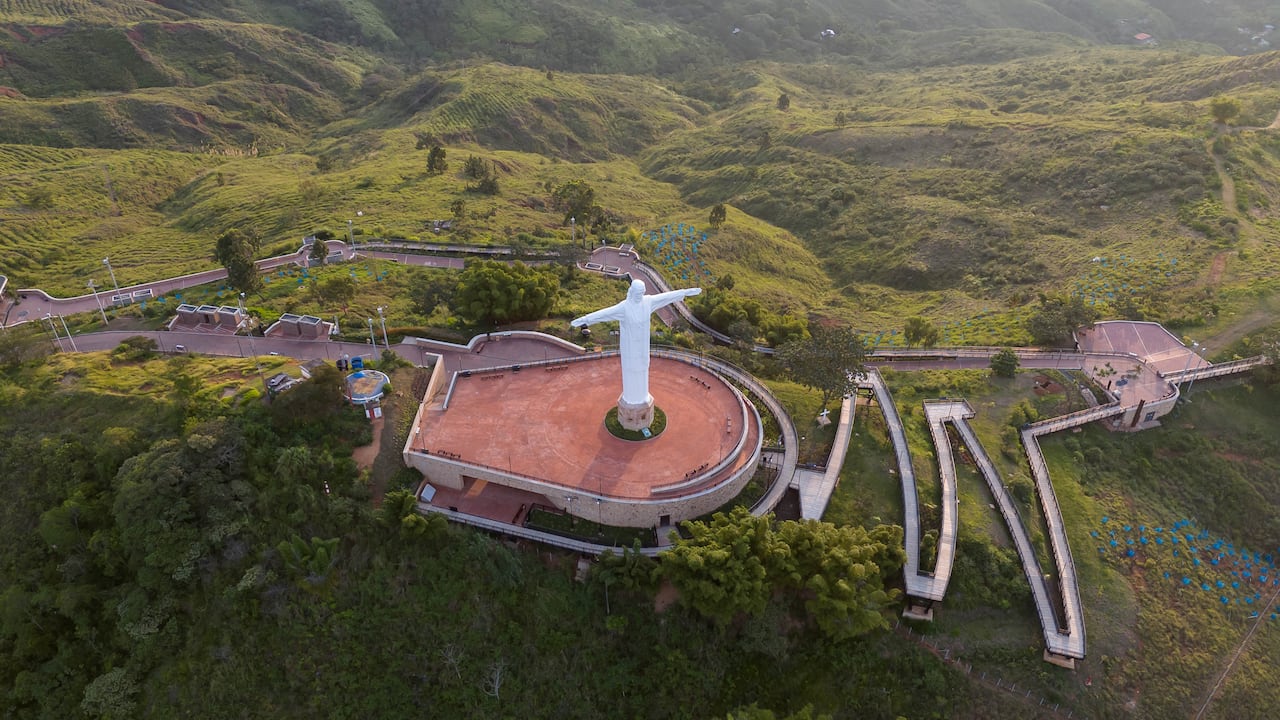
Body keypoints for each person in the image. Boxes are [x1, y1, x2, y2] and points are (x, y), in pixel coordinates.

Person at [571, 278, 701, 405]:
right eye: (638, 293)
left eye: (642, 293)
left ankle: (642, 397)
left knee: (642, 370)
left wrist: (684, 292)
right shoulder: (624, 308)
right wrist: (585, 319)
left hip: (642, 347)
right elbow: (604, 314)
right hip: (630, 347)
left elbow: (666, 297)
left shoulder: (648, 302)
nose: (640, 295)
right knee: (630, 371)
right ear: (632, 292)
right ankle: (631, 399)